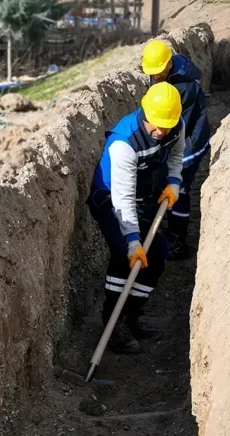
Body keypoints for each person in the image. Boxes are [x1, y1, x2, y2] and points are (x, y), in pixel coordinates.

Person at [87, 82, 186, 354]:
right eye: (156, 125)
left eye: (166, 126)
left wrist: (174, 181)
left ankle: (131, 316)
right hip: (111, 198)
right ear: (145, 112)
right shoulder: (124, 144)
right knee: (124, 256)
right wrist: (132, 241)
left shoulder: (175, 124)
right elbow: (123, 200)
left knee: (157, 254)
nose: (160, 131)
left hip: (142, 193)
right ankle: (113, 324)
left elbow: (177, 154)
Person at [141, 40, 211, 260]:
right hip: (171, 136)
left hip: (189, 141)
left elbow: (179, 127)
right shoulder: (161, 74)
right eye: (152, 72)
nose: (155, 76)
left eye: (159, 71)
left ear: (169, 63)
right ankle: (157, 225)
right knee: (162, 182)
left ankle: (177, 240)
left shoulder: (184, 87)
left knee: (179, 190)